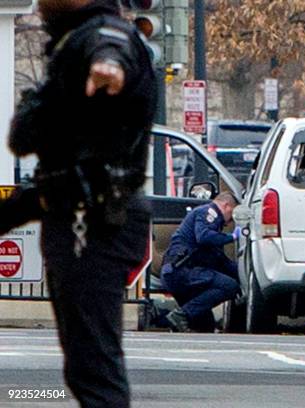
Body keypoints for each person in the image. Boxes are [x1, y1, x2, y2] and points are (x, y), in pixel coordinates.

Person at [6, 0, 157, 406]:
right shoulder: (71, 41)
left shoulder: (104, 35)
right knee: (84, 367)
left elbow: (111, 49)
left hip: (92, 220)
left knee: (94, 370)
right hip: (71, 209)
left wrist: (108, 65)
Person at [161, 192, 241, 332]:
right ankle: (181, 314)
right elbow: (203, 237)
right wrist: (232, 237)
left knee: (205, 326)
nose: (231, 221)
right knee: (229, 286)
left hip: (183, 274)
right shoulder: (209, 212)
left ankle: (179, 321)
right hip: (182, 272)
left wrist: (242, 273)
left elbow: (221, 261)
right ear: (226, 205)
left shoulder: (214, 226)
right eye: (232, 213)